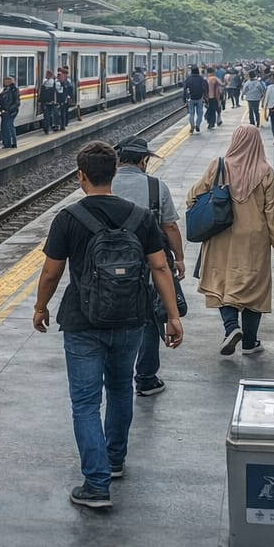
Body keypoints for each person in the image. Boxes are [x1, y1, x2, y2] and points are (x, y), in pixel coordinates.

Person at [33, 141, 183, 508]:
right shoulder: (139, 217)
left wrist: (40, 306)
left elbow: (52, 272)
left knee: (85, 402)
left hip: (82, 321)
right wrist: (172, 315)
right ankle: (114, 461)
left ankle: (96, 484)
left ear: (81, 175)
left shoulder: (68, 218)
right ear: (113, 173)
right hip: (131, 318)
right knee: (119, 390)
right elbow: (160, 267)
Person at [189, 125, 274, 356]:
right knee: (254, 286)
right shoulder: (265, 172)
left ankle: (231, 328)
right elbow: (272, 212)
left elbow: (192, 196)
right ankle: (250, 342)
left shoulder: (218, 166)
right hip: (254, 238)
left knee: (223, 282)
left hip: (221, 233)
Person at [111, 137, 186, 397]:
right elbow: (170, 227)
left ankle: (112, 376)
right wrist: (178, 258)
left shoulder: (104, 184)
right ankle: (145, 379)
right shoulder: (156, 187)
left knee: (109, 317)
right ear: (144, 161)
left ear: (119, 160)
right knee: (148, 318)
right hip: (147, 265)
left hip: (106, 265)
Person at [0, 74, 21, 148]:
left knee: (9, 126)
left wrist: (8, 110)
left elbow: (17, 103)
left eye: (8, 81)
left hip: (11, 112)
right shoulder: (5, 90)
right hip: (4, 112)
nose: (6, 82)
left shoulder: (14, 90)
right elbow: (0, 100)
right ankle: (6, 143)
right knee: (4, 127)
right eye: (5, 81)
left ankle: (12, 143)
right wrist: (0, 109)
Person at [182, 65, 206, 133]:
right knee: (200, 113)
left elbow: (184, 90)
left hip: (191, 98)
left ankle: (192, 126)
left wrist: (184, 98)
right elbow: (204, 88)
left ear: (191, 71)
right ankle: (198, 125)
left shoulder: (188, 79)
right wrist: (205, 97)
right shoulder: (201, 79)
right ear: (198, 71)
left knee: (191, 113)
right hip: (199, 98)